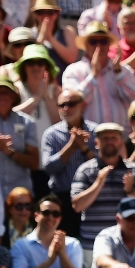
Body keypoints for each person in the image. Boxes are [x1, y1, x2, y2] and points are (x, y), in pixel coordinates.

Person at [71, 122, 135, 265]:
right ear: (96, 143)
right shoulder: (85, 170)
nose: (110, 142)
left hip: (125, 246)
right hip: (91, 244)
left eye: (114, 138)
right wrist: (98, 183)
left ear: (120, 142)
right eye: (105, 138)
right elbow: (77, 206)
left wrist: (131, 190)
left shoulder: (133, 169)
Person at [61, 22, 135, 129]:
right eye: (93, 41)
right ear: (86, 45)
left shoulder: (123, 70)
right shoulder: (73, 71)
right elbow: (72, 104)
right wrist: (93, 75)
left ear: (109, 45)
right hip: (88, 139)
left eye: (103, 41)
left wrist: (118, 73)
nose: (98, 46)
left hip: (120, 138)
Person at [40, 89, 97, 238]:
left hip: (90, 198)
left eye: (71, 104)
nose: (66, 109)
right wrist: (71, 146)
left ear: (82, 105)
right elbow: (49, 168)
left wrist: (83, 148)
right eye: (62, 105)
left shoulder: (96, 131)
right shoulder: (51, 134)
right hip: (62, 199)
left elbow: (102, 166)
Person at [10, 194, 83, 268]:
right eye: (46, 213)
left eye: (55, 214)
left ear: (60, 219)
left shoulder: (73, 244)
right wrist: (50, 261)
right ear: (36, 216)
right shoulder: (20, 245)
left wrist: (62, 253)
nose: (50, 217)